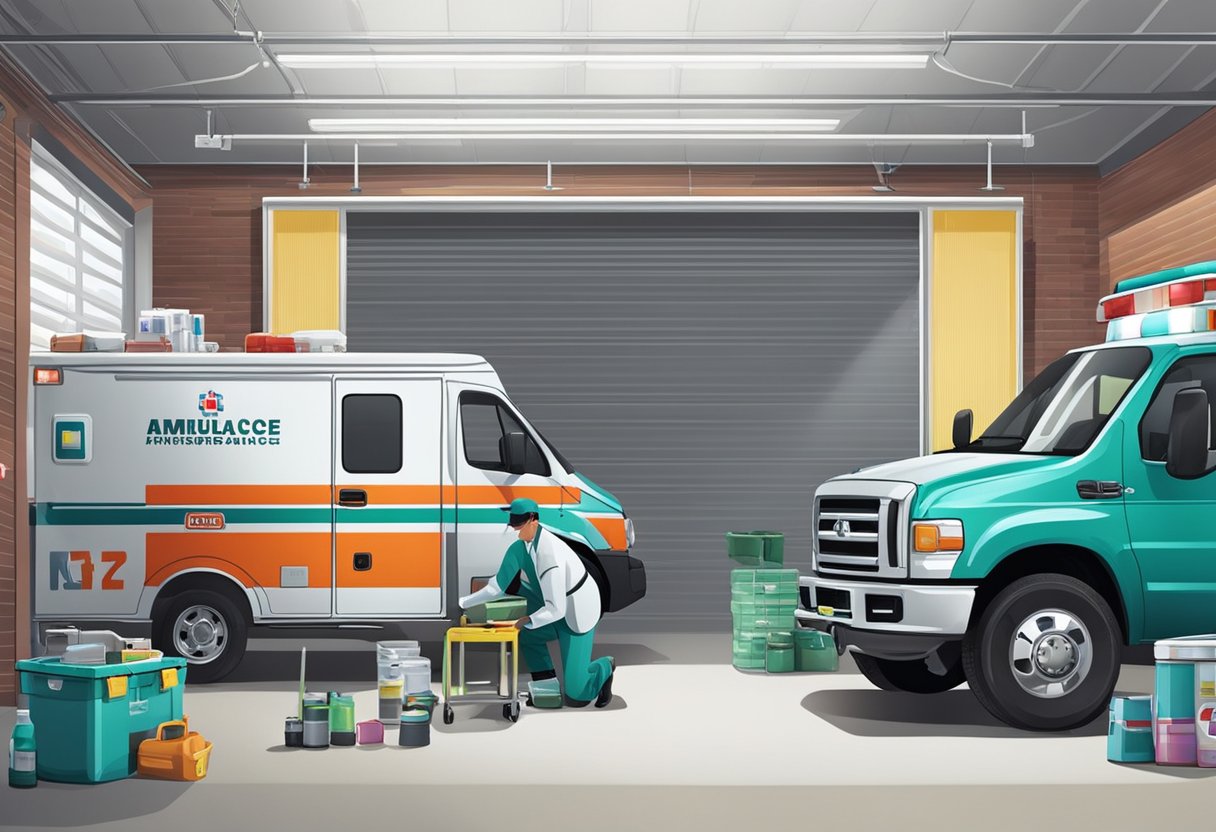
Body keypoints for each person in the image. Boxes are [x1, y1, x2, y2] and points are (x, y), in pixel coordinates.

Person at [459, 497, 615, 708]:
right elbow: (496, 587)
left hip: (577, 610)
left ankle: (605, 667)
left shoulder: (549, 554)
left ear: (533, 520)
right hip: (552, 606)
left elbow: (557, 609)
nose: (516, 530)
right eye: (513, 525)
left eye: (519, 525)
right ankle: (547, 690)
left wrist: (527, 619)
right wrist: (464, 602)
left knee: (577, 695)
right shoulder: (520, 548)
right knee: (528, 636)